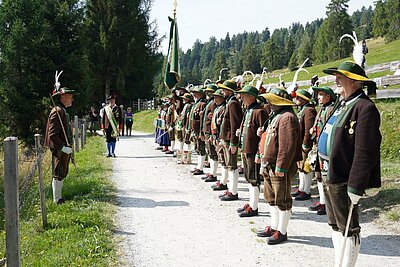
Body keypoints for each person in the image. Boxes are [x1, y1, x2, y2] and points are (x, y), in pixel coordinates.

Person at [319, 61, 381, 266]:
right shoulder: (343, 102)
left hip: (344, 178)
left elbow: (365, 151)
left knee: (348, 227)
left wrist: (356, 186)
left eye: (341, 77)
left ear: (354, 82)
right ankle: (339, 262)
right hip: (330, 173)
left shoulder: (365, 108)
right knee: (335, 225)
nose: (336, 80)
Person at [256, 88, 302, 245]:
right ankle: (274, 226)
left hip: (279, 166)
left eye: (271, 100)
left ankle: (282, 231)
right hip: (269, 163)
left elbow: (287, 146)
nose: (268, 103)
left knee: (282, 199)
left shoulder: (287, 118)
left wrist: (281, 167)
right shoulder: (276, 116)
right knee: (271, 198)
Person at [236, 85, 268, 217]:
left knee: (254, 179)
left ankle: (254, 207)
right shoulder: (249, 110)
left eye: (244, 95)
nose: (241, 98)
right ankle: (251, 202)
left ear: (251, 97)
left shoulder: (259, 111)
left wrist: (260, 154)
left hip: (254, 150)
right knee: (249, 178)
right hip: (246, 148)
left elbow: (264, 134)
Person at [45, 86, 79, 204]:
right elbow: (52, 134)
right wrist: (62, 147)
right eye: (70, 97)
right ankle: (56, 199)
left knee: (62, 171)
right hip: (60, 148)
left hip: (64, 147)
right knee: (59, 172)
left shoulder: (62, 110)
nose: (72, 100)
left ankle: (59, 197)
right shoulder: (58, 111)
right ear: (63, 97)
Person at [308, 86, 337, 216]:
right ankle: (322, 201)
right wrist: (313, 130)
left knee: (326, 177)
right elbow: (317, 124)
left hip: (326, 149)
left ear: (328, 97)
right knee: (319, 175)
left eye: (321, 95)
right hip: (318, 146)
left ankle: (328, 204)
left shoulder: (331, 109)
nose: (318, 97)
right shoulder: (322, 109)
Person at [217, 80, 243, 201]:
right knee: (228, 165)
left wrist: (234, 142)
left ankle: (233, 192)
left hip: (229, 140)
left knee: (232, 166)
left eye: (223, 89)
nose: (222, 91)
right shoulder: (230, 102)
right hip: (226, 139)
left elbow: (234, 123)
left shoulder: (232, 103)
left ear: (229, 91)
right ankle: (230, 189)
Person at [292, 89, 317, 201]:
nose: (296, 99)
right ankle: (301, 188)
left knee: (306, 167)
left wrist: (306, 144)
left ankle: (306, 191)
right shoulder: (303, 109)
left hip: (305, 143)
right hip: (299, 143)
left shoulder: (309, 110)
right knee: (300, 167)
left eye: (298, 97)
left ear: (304, 99)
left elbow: (308, 129)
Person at [209, 89, 228, 191]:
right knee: (221, 159)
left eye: (216, 97)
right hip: (216, 135)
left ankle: (224, 182)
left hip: (221, 136)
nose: (214, 99)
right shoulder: (218, 108)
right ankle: (222, 180)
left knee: (224, 161)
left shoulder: (223, 108)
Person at [201, 84, 219, 182]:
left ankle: (213, 174)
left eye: (210, 91)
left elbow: (214, 119)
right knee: (210, 152)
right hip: (207, 130)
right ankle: (212, 172)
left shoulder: (213, 103)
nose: (207, 93)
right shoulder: (209, 102)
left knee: (212, 152)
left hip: (210, 130)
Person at [188, 86, 207, 175]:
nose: (194, 95)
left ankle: (200, 167)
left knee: (201, 148)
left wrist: (201, 132)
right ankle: (198, 166)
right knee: (197, 148)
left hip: (199, 131)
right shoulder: (196, 104)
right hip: (195, 130)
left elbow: (202, 120)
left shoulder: (202, 104)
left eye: (195, 93)